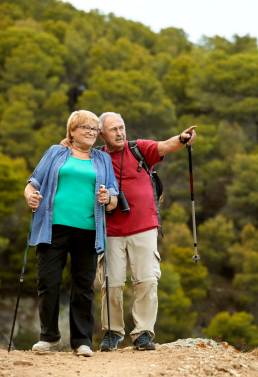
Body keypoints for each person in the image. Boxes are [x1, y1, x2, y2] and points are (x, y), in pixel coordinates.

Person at [61, 112, 196, 351]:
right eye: (113, 130)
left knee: (146, 280)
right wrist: (66, 144)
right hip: (110, 229)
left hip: (144, 227)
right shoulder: (96, 157)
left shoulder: (139, 149)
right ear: (101, 134)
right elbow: (73, 152)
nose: (119, 133)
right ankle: (112, 333)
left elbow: (165, 146)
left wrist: (183, 138)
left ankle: (143, 333)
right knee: (110, 284)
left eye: (121, 127)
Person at [25, 110, 119, 357]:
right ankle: (49, 337)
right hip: (53, 228)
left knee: (83, 285)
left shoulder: (102, 159)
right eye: (85, 128)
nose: (90, 132)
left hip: (88, 230)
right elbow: (33, 183)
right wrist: (30, 197)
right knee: (48, 281)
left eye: (94, 129)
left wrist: (108, 197)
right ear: (72, 131)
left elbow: (113, 198)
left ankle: (81, 341)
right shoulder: (55, 152)